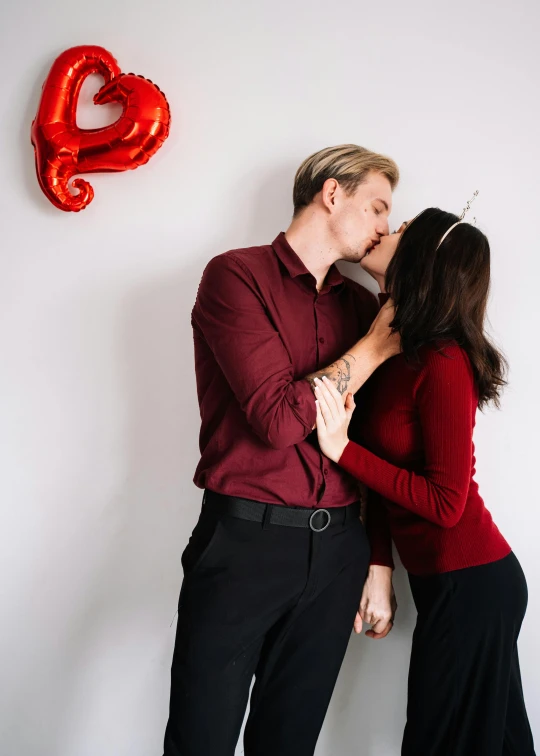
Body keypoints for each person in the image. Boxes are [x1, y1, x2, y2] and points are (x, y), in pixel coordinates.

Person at [162, 144, 402, 756]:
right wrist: (372, 351)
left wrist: (376, 560)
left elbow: (371, 446)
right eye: (376, 207)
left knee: (288, 744)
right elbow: (274, 419)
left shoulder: (361, 306)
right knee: (200, 740)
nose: (382, 225)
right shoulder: (234, 276)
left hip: (340, 552)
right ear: (331, 194)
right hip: (245, 544)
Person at [313, 207, 536, 756]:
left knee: (440, 743)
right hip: (448, 584)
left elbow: (445, 502)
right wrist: (381, 564)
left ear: (423, 262)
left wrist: (341, 449)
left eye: (406, 230)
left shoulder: (443, 361)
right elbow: (393, 482)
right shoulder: (394, 351)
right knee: (499, 741)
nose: (390, 229)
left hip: (474, 585)